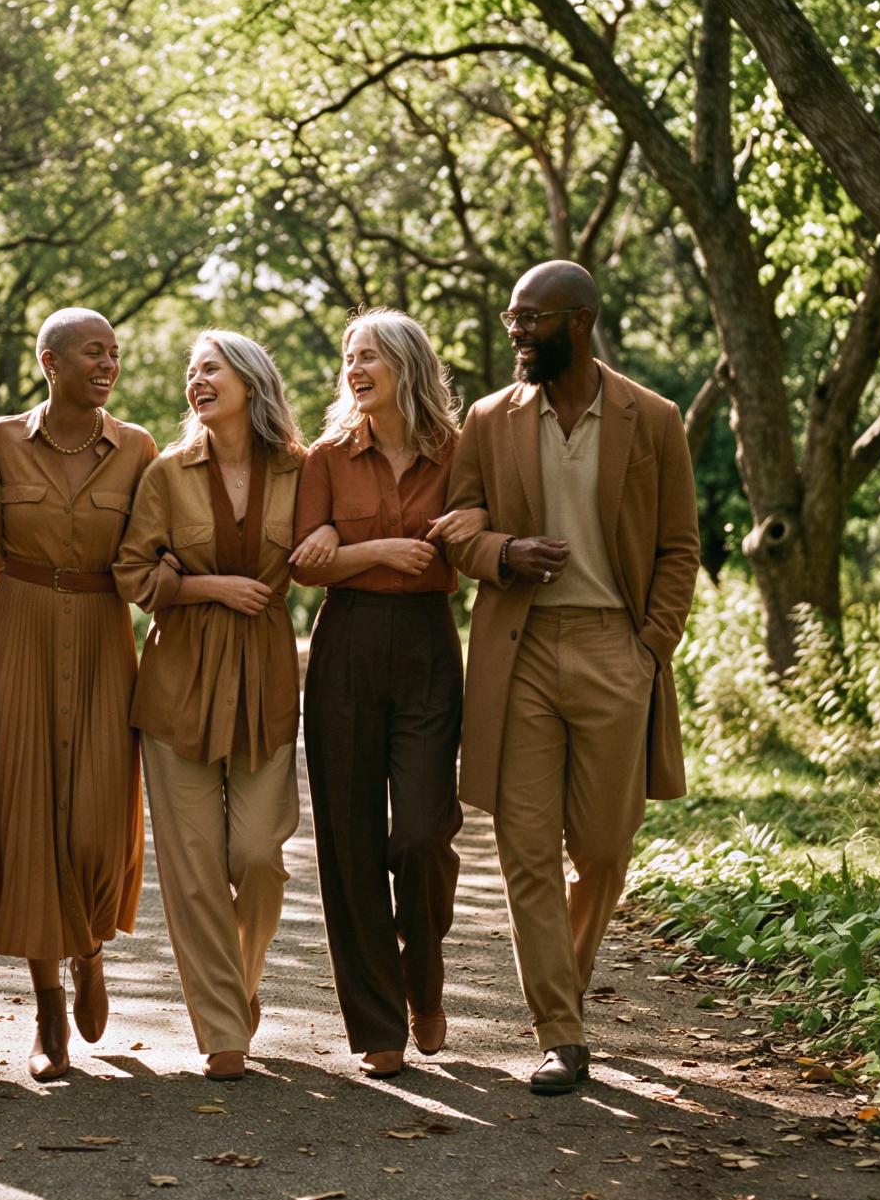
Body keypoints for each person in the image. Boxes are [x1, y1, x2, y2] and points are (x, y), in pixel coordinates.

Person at [426, 261, 698, 1095]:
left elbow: (680, 548)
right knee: (526, 848)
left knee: (606, 849)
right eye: (512, 317)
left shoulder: (652, 419)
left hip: (617, 649)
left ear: (577, 323)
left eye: (530, 319)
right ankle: (561, 1032)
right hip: (523, 653)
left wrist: (650, 645)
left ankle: (564, 989)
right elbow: (455, 524)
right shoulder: (488, 419)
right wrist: (502, 553)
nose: (515, 331)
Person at [113, 331, 304, 1082]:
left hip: (265, 678)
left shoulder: (298, 469)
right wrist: (203, 586)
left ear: (251, 381)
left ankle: (240, 988)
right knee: (194, 869)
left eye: (211, 368)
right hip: (178, 681)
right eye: (191, 371)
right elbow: (134, 572)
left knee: (257, 854)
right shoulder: (167, 471)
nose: (197, 379)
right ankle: (223, 1029)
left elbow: (323, 544)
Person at [0, 308, 158, 1080]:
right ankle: (47, 1002)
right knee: (23, 816)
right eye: (93, 351)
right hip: (16, 629)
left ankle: (88, 951)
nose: (108, 363)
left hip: (103, 636)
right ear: (51, 362)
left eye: (114, 352)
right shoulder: (0, 440)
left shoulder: (140, 449)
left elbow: (151, 549)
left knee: (95, 820)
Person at [289, 310, 465, 1078]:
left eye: (371, 357)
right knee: (350, 841)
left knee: (421, 834)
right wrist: (372, 550)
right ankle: (377, 1022)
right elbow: (304, 562)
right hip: (347, 647)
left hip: (428, 644)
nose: (356, 368)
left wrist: (478, 520)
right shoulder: (326, 458)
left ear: (407, 365)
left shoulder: (457, 454)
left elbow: (482, 528)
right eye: (349, 358)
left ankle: (423, 979)